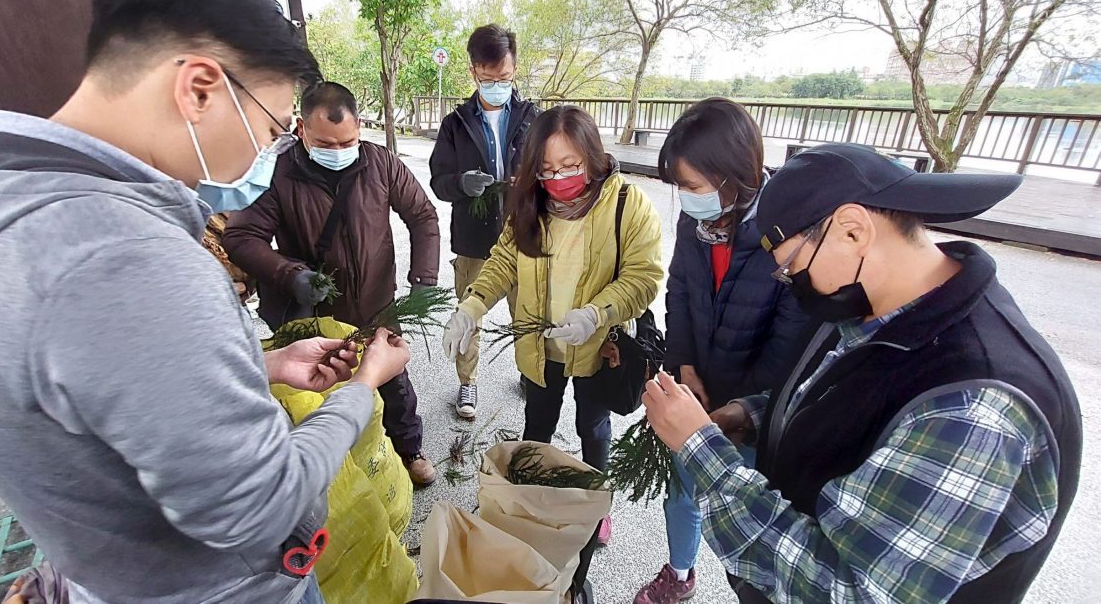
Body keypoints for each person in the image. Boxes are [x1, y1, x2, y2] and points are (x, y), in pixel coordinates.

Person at [0, 0, 411, 604]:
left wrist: (257, 365)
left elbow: (100, 398)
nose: (262, 156)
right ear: (199, 89)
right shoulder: (125, 258)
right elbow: (266, 512)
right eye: (269, 128)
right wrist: (360, 388)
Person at [642, 143, 1082, 604]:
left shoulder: (974, 405)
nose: (795, 286)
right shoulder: (871, 307)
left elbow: (846, 589)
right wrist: (749, 415)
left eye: (792, 267)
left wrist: (701, 451)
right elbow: (839, 398)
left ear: (852, 231)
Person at [442, 105, 664, 546]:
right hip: (540, 345)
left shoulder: (626, 204)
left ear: (593, 156)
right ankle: (527, 494)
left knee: (593, 426)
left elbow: (644, 277)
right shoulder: (530, 202)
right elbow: (503, 260)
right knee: (537, 421)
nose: (559, 178)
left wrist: (596, 314)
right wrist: (472, 306)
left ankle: (595, 503)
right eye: (547, 169)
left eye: (570, 165)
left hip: (598, 346)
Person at [633, 99, 813, 604]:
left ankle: (750, 590)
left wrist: (739, 409)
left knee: (752, 507)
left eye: (693, 187)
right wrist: (684, 364)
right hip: (699, 385)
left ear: (733, 177)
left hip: (754, 405)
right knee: (686, 489)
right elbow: (681, 292)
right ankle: (680, 570)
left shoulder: (785, 232)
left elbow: (791, 337)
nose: (686, 200)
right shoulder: (698, 227)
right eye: (681, 188)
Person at [223, 81, 439, 486]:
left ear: (359, 128)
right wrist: (292, 275)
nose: (339, 152)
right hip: (314, 311)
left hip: (377, 300)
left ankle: (410, 450)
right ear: (302, 128)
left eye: (348, 142)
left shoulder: (380, 163)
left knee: (393, 380)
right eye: (326, 143)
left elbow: (423, 217)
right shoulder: (278, 173)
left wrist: (424, 279)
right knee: (323, 388)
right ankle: (344, 467)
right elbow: (240, 237)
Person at [429, 24, 541, 420]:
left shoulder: (533, 118)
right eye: (489, 78)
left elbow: (551, 171)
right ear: (474, 70)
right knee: (469, 314)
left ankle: (530, 373)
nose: (497, 85)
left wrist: (526, 185)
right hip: (473, 242)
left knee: (527, 314)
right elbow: (438, 182)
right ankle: (467, 383)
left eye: (505, 78)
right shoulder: (455, 124)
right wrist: (461, 183)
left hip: (522, 238)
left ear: (515, 69)